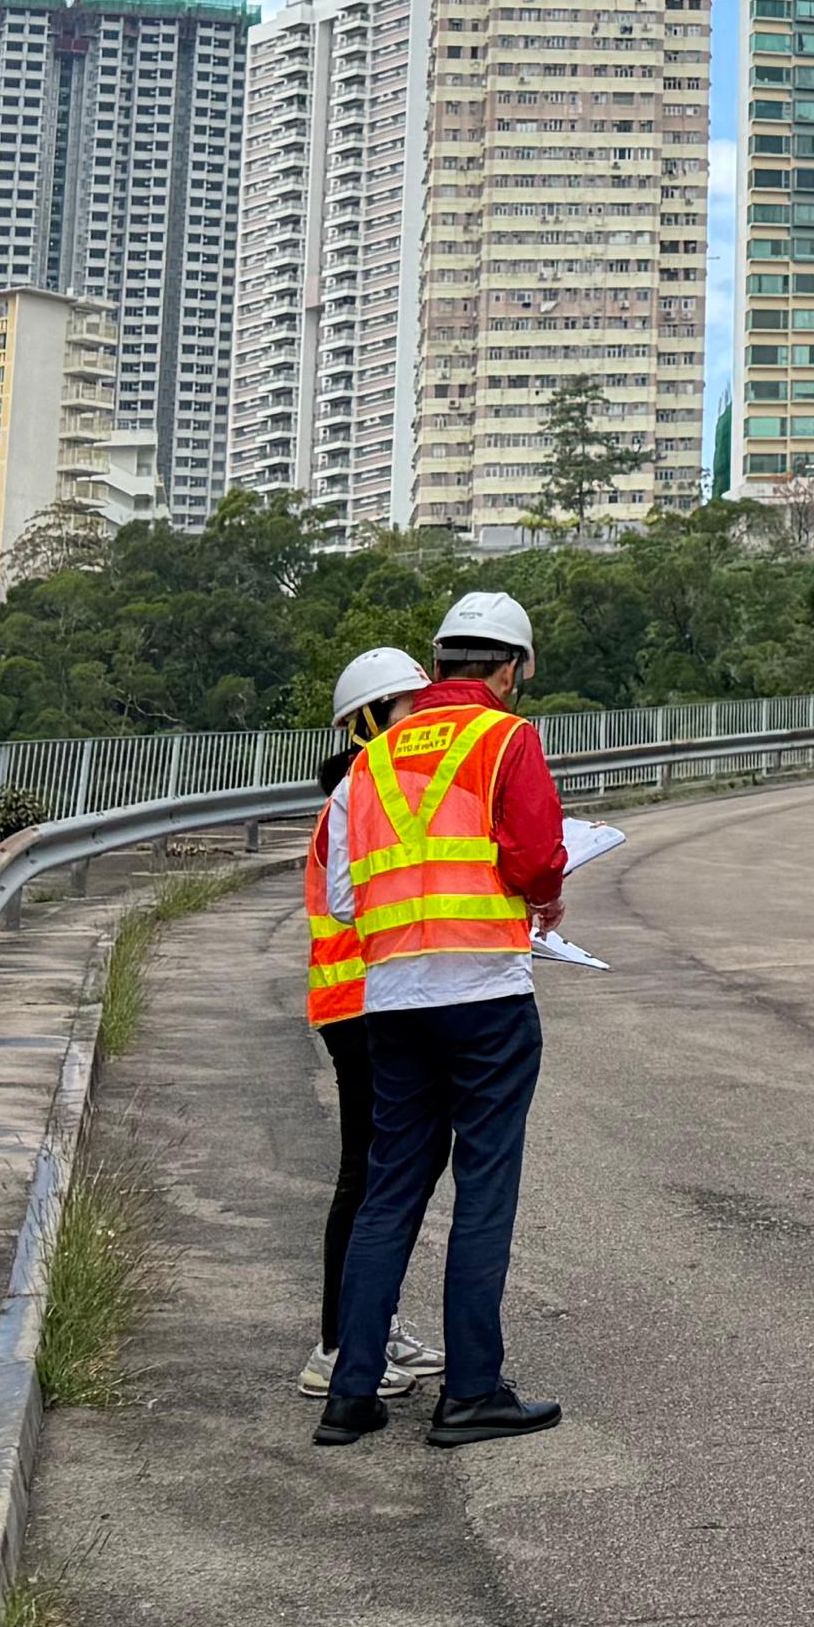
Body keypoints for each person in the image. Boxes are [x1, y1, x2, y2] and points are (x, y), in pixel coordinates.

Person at [314, 590, 569, 1449]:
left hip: (390, 1000)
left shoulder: (370, 763)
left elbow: (347, 900)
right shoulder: (507, 737)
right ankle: (471, 1392)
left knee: (391, 1189)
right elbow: (535, 860)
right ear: (514, 668)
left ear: (441, 658)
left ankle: (351, 1394)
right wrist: (544, 899)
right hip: (487, 995)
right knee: (484, 1189)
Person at [297, 646, 435, 1403]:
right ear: (369, 721)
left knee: (386, 1175)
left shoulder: (372, 788)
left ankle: (371, 1324)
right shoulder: (360, 791)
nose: (420, 723)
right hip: (357, 1006)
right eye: (409, 710)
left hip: (378, 1000)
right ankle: (337, 1345)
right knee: (367, 1178)